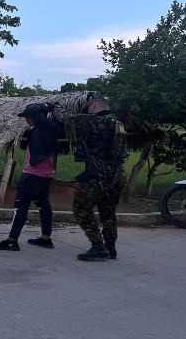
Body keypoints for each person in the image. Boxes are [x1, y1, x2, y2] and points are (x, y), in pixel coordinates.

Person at [47, 97, 128, 261]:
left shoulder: (97, 121)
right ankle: (110, 247)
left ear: (95, 106)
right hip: (117, 172)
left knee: (81, 208)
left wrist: (55, 107)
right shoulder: (118, 123)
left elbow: (68, 118)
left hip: (99, 173)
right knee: (108, 211)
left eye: (89, 107)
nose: (88, 110)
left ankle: (98, 246)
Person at [0, 104, 62, 252]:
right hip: (45, 174)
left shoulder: (42, 128)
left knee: (21, 206)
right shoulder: (51, 128)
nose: (26, 119)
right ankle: (46, 239)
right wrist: (47, 108)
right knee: (44, 206)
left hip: (34, 174)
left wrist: (44, 109)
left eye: (28, 116)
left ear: (36, 117)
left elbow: (41, 119)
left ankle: (12, 241)